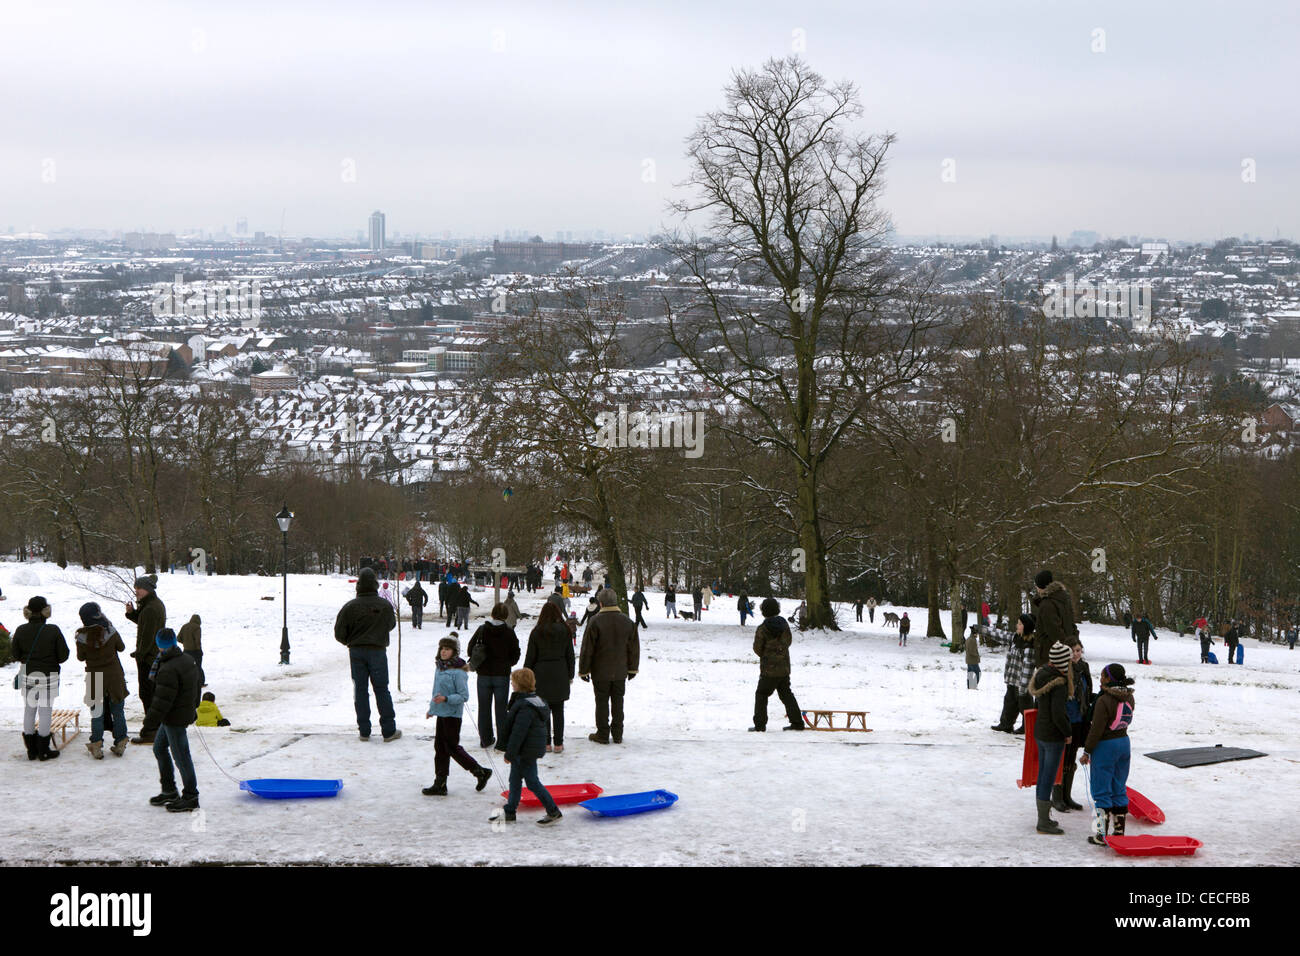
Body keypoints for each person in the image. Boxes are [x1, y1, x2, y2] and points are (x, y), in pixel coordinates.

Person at [334, 567, 401, 742]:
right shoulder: (384, 605)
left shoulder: (349, 607)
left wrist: (352, 641)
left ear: (358, 585)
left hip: (356, 652)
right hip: (377, 651)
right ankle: (388, 730)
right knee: (381, 689)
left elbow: (339, 633)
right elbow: (391, 624)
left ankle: (364, 730)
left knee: (360, 690)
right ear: (375, 584)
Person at [490, 668, 563, 826]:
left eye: (513, 681)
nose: (511, 683)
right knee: (514, 780)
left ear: (519, 684)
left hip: (525, 751)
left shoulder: (525, 706)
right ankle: (510, 811)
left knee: (532, 782)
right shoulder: (531, 701)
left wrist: (509, 754)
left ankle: (553, 811)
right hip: (525, 749)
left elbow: (518, 733)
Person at [423, 635, 494, 796]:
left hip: (453, 715)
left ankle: (480, 772)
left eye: (447, 649)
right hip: (441, 713)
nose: (443, 651)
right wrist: (432, 709)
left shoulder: (458, 671)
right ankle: (440, 783)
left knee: (452, 747)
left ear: (454, 652)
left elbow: (463, 696)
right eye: (442, 648)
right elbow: (436, 692)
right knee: (440, 747)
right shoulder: (440, 667)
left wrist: (447, 699)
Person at [146, 628, 202, 812]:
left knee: (181, 757)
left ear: (160, 645)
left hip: (174, 718)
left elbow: (161, 701)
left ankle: (191, 796)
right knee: (159, 747)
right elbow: (196, 688)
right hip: (177, 715)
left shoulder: (168, 668)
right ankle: (169, 790)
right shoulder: (187, 659)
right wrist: (193, 709)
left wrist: (149, 724)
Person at [1081, 663, 1136, 845]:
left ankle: (1101, 835)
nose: (1100, 679)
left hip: (1106, 746)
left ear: (1109, 679)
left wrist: (1087, 750)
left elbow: (1096, 730)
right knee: (1119, 787)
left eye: (1103, 676)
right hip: (1124, 742)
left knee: (1101, 789)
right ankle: (1119, 832)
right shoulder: (1129, 697)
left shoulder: (1104, 700)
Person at [579, 588, 639, 745]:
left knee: (601, 701)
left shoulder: (595, 621)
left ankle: (603, 733)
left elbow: (587, 648)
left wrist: (584, 670)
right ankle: (618, 734)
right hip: (620, 670)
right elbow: (634, 648)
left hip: (600, 671)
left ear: (601, 603)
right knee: (618, 701)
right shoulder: (628, 622)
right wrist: (633, 668)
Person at [13, 595, 70, 762]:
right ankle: (44, 750)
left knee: (29, 711)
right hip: (48, 676)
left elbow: (16, 654)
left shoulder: (21, 630)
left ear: (28, 612)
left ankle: (31, 750)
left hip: (28, 675)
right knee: (45, 712)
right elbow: (63, 656)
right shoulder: (53, 630)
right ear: (46, 611)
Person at [1028, 641, 1074, 835]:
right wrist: (1067, 732)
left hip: (1041, 731)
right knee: (1048, 776)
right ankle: (1043, 821)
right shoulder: (1060, 683)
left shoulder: (1042, 674)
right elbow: (1058, 713)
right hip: (1053, 735)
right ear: (1064, 662)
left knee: (1043, 775)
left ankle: (1043, 817)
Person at [75, 602, 130, 759]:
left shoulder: (81, 637)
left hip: (94, 676)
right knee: (118, 711)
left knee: (97, 713)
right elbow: (121, 647)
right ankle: (120, 742)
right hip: (114, 675)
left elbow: (80, 657)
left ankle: (97, 745)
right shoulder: (110, 631)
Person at [466, 603, 521, 750]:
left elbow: (470, 648)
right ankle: (503, 742)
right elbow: (516, 653)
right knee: (501, 709)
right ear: (505, 615)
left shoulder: (482, 630)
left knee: (484, 708)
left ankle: (486, 739)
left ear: (492, 613)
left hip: (483, 675)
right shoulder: (509, 632)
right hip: (502, 675)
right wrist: (508, 663)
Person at [524, 600, 575, 753]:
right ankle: (558, 743)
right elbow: (570, 656)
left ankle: (546, 743)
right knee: (559, 710)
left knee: (542, 710)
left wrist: (526, 676)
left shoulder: (537, 631)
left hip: (541, 673)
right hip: (560, 671)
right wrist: (570, 674)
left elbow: (530, 656)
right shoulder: (565, 630)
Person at [749, 597, 805, 732]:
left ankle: (760, 725)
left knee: (762, 694)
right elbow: (788, 642)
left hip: (768, 669)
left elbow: (757, 649)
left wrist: (767, 653)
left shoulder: (762, 629)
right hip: (784, 667)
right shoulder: (784, 626)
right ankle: (797, 723)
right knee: (786, 694)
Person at [125, 575, 166, 745]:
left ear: (147, 589)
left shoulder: (150, 608)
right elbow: (144, 623)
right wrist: (132, 614)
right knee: (152, 694)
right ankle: (158, 729)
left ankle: (151, 731)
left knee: (147, 695)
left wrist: (139, 655)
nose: (136, 592)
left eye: (138, 589)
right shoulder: (152, 604)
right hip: (153, 656)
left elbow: (147, 636)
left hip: (148, 659)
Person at [1057, 642, 1093, 812]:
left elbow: (1087, 691)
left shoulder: (1084, 668)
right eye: (1072, 651)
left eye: (1078, 651)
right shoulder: (1063, 669)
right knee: (1061, 758)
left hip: (1080, 718)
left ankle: (1067, 795)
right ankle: (1057, 797)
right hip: (1065, 718)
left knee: (1071, 758)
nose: (1075, 654)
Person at [990, 613, 1036, 734]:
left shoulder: (1029, 644)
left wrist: (1024, 687)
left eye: (1020, 623)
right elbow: (999, 634)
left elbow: (1028, 667)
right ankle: (1006, 724)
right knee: (1009, 703)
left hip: (1022, 683)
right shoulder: (1015, 638)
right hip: (1012, 679)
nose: (1017, 625)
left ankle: (1028, 727)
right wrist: (981, 629)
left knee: (1024, 705)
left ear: (1026, 626)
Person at [1030, 570, 1078, 667]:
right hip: (1067, 648)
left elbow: (1054, 631)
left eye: (1037, 586)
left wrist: (1064, 649)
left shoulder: (1047, 604)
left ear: (1041, 586)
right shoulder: (1064, 599)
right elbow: (1071, 625)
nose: (1036, 589)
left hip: (1051, 654)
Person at [177, 613, 203, 688]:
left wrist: (185, 643)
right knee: (198, 667)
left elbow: (178, 638)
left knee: (186, 668)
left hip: (185, 651)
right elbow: (197, 640)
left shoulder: (185, 626)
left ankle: (187, 682)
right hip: (195, 651)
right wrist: (199, 650)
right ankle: (200, 682)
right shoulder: (197, 627)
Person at [965, 625, 980, 689]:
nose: (978, 635)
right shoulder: (972, 640)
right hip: (973, 660)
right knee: (978, 673)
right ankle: (973, 686)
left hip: (969, 660)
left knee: (970, 673)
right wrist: (977, 655)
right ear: (975, 634)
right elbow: (971, 651)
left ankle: (969, 687)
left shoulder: (969, 638)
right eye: (977, 633)